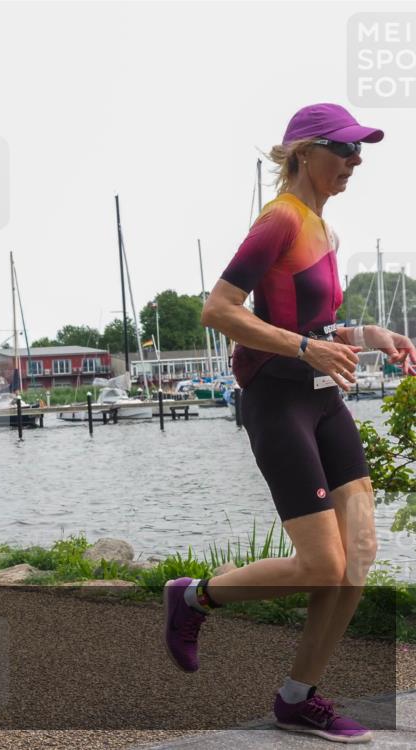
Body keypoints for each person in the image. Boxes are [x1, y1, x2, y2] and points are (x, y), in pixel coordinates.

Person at [165, 103, 416, 744]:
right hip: (276, 400)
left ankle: (297, 699)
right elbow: (218, 310)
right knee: (323, 563)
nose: (356, 161)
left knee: (359, 552)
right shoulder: (279, 219)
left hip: (322, 399)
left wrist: (370, 334)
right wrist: (305, 349)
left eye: (361, 151)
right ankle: (192, 597)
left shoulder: (325, 230)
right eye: (345, 149)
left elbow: (317, 327)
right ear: (305, 152)